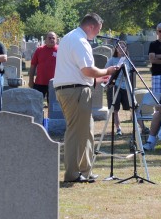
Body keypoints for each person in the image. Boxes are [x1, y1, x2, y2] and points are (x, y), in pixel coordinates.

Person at [52, 13, 119, 183]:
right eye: (98, 30)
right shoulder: (80, 41)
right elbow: (87, 70)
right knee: (75, 132)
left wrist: (96, 79)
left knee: (87, 130)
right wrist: (108, 71)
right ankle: (73, 174)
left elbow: (78, 71)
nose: (97, 34)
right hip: (75, 92)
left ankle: (85, 170)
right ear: (91, 26)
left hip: (74, 88)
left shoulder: (70, 37)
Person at [105, 41, 132, 136]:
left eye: (123, 47)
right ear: (116, 49)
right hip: (115, 86)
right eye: (119, 47)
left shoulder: (128, 60)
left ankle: (140, 127)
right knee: (115, 109)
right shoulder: (112, 60)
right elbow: (106, 72)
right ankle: (118, 128)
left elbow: (131, 72)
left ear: (126, 49)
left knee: (132, 107)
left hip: (126, 87)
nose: (121, 49)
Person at [28, 31, 58, 102]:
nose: (51, 40)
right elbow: (33, 66)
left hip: (55, 83)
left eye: (53, 38)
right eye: (49, 38)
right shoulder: (39, 50)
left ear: (56, 40)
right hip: (40, 83)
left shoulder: (60, 50)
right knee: (36, 104)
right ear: (45, 40)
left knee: (54, 107)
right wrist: (31, 80)